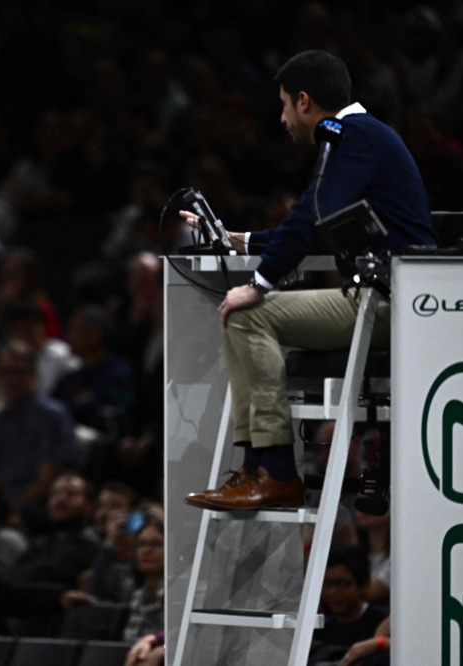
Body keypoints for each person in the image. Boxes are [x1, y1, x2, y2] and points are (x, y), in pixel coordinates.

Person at [184, 50, 437, 511]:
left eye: (283, 106)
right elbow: (316, 221)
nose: (282, 118)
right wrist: (239, 240)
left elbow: (313, 215)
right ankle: (256, 465)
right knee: (242, 316)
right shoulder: (364, 136)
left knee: (246, 316)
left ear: (304, 101)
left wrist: (258, 282)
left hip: (393, 301)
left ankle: (275, 471)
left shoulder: (353, 137)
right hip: (382, 294)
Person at [0, 341, 78, 510]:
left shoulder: (52, 415)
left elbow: (48, 479)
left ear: (34, 375)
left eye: (18, 373)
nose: (11, 380)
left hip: (41, 507)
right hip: (1, 508)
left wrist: (14, 510)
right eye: (4, 373)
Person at [13, 474, 100, 588]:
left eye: (71, 494)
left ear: (89, 505)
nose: (60, 498)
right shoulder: (38, 545)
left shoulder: (92, 547)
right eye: (54, 494)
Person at [311, 546, 388, 656]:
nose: (332, 592)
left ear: (364, 586)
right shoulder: (321, 629)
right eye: (326, 584)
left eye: (342, 584)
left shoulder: (382, 625)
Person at [4, 301, 79, 396]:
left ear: (42, 326)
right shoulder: (8, 360)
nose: (23, 335)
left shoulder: (61, 354)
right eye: (17, 330)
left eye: (28, 328)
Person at [121, 517, 165, 644]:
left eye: (156, 544)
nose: (146, 550)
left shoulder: (177, 593)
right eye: (141, 544)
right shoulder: (133, 591)